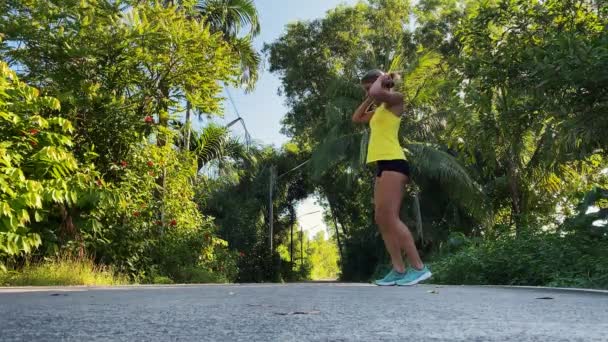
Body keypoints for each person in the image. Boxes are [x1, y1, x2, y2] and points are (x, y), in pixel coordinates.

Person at [352, 69, 432, 286]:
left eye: (368, 88)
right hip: (382, 165)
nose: (368, 93)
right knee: (381, 218)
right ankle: (398, 269)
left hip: (395, 162)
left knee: (391, 216)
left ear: (381, 82)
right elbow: (357, 117)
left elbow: (379, 91)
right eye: (366, 90)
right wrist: (369, 95)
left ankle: (418, 267)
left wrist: (379, 82)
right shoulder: (378, 110)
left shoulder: (396, 100)